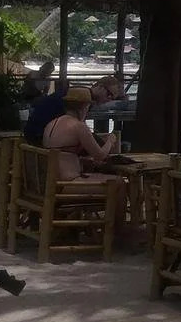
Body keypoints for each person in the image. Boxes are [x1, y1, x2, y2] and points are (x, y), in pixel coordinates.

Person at [42, 86, 127, 231]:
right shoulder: (78, 126)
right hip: (67, 184)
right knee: (119, 183)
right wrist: (110, 141)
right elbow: (100, 155)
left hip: (51, 182)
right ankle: (118, 231)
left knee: (99, 175)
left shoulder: (51, 124)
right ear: (84, 107)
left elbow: (62, 154)